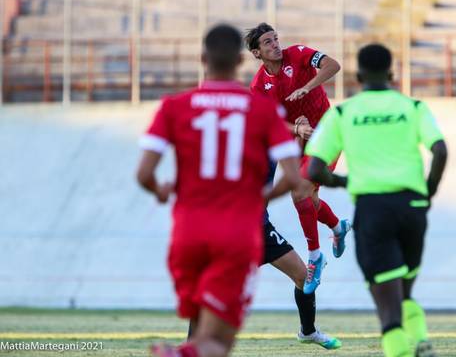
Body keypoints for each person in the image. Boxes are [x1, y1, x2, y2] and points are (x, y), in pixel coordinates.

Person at [136, 24, 302, 357]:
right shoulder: (263, 110)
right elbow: (293, 177)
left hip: (187, 233)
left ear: (202, 59)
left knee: (200, 331)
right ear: (242, 60)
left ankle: (183, 350)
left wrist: (161, 189)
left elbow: (144, 174)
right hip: (236, 234)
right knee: (215, 344)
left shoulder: (174, 106)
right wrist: (261, 197)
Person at [305, 44, 448, 357]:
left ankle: (402, 347)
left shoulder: (343, 113)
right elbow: (440, 150)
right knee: (405, 290)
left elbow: (315, 168)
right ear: (392, 74)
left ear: (357, 76)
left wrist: (345, 181)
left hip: (373, 209)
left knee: (386, 304)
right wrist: (430, 190)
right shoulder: (413, 107)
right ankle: (421, 336)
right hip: (412, 206)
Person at [187, 163, 342, 350]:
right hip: (233, 229)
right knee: (214, 291)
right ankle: (192, 346)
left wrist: (299, 133)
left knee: (303, 276)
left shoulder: (272, 141)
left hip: (261, 228)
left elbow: (292, 161)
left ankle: (308, 331)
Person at [245, 23, 351, 295]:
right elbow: (269, 124)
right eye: (268, 43)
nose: (275, 45)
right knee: (308, 200)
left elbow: (333, 66)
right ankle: (338, 226)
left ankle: (315, 256)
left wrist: (307, 86)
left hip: (328, 132)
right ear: (257, 53)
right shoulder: (259, 86)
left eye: (276, 39)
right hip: (299, 138)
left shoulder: (299, 53)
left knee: (299, 191)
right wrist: (297, 129)